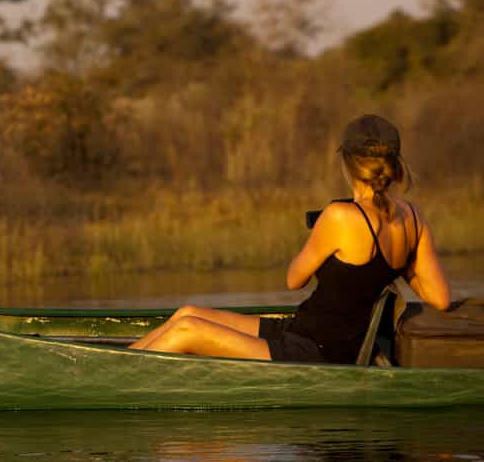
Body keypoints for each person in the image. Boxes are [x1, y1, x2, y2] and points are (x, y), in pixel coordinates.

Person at [128, 114, 452, 363]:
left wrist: (324, 237)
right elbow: (439, 298)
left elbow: (294, 279)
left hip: (314, 351)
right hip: (306, 331)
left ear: (348, 163)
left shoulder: (339, 216)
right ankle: (113, 364)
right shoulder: (413, 217)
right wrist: (399, 261)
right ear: (393, 164)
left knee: (189, 331)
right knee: (187, 313)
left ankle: (115, 377)